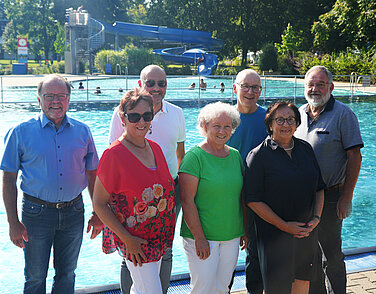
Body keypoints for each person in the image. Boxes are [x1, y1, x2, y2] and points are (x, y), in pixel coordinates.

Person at [0, 74, 102, 294]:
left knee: (67, 274)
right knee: (35, 276)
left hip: (74, 211)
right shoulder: (20, 132)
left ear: (68, 99)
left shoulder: (83, 131)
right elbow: (8, 179)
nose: (56, 101)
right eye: (49, 96)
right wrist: (12, 221)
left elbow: (93, 174)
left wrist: (98, 211)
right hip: (36, 214)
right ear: (39, 100)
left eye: (62, 96)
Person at [108, 64, 186, 294]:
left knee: (166, 250)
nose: (156, 88)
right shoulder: (121, 113)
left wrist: (180, 190)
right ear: (140, 83)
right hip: (132, 195)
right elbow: (114, 153)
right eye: (150, 82)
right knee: (130, 251)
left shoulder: (177, 113)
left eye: (161, 83)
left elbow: (180, 154)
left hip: (169, 192)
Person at [93, 89, 176, 294]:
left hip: (159, 238)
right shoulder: (114, 155)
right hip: (136, 243)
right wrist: (127, 239)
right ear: (123, 117)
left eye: (147, 116)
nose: (141, 122)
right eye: (134, 116)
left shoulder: (155, 148)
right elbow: (99, 203)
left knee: (142, 290)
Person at [294, 65, 363, 294]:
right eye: (310, 84)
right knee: (309, 255)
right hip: (303, 199)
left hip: (332, 196)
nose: (315, 89)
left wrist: (347, 197)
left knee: (331, 255)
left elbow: (355, 156)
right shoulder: (298, 114)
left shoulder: (343, 114)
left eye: (321, 84)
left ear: (331, 87)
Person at [245, 101, 325, 294]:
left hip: (305, 232)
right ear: (270, 124)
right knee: (277, 289)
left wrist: (316, 219)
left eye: (290, 119)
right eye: (280, 120)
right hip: (274, 237)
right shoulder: (259, 155)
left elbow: (319, 188)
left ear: (297, 124)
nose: (286, 124)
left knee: (302, 283)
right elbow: (253, 200)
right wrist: (284, 226)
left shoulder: (305, 149)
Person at [179, 101, 247, 293]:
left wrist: (245, 229)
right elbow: (186, 201)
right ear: (205, 126)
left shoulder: (235, 156)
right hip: (202, 237)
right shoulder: (194, 157)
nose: (222, 131)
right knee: (203, 288)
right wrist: (200, 238)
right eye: (216, 125)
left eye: (227, 126)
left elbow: (241, 196)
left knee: (222, 287)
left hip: (231, 235)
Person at [227, 69, 268, 294]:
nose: (250, 92)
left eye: (255, 88)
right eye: (245, 86)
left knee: (254, 250)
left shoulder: (268, 119)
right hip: (228, 194)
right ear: (235, 88)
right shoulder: (224, 118)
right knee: (228, 249)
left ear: (260, 91)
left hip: (257, 195)